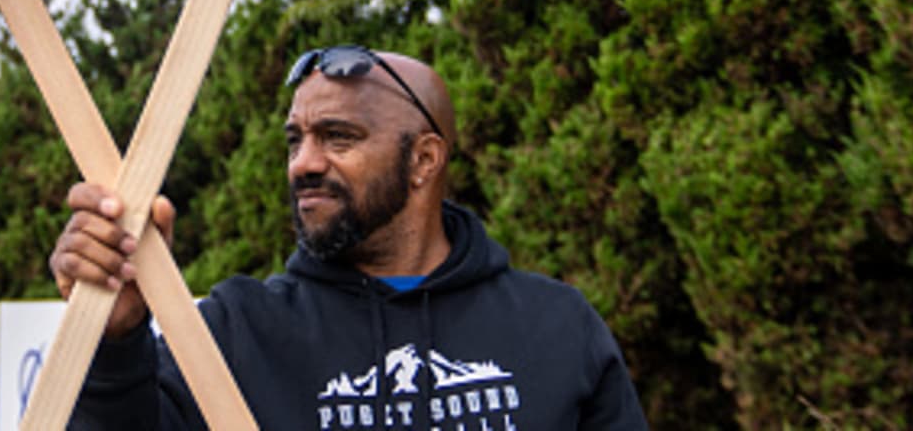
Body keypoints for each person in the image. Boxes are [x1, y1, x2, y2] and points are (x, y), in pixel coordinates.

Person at [51, 45, 646, 429]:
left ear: (424, 160)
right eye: (294, 140)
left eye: (337, 137)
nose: (302, 163)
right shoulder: (236, 333)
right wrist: (112, 341)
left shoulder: (556, 326)